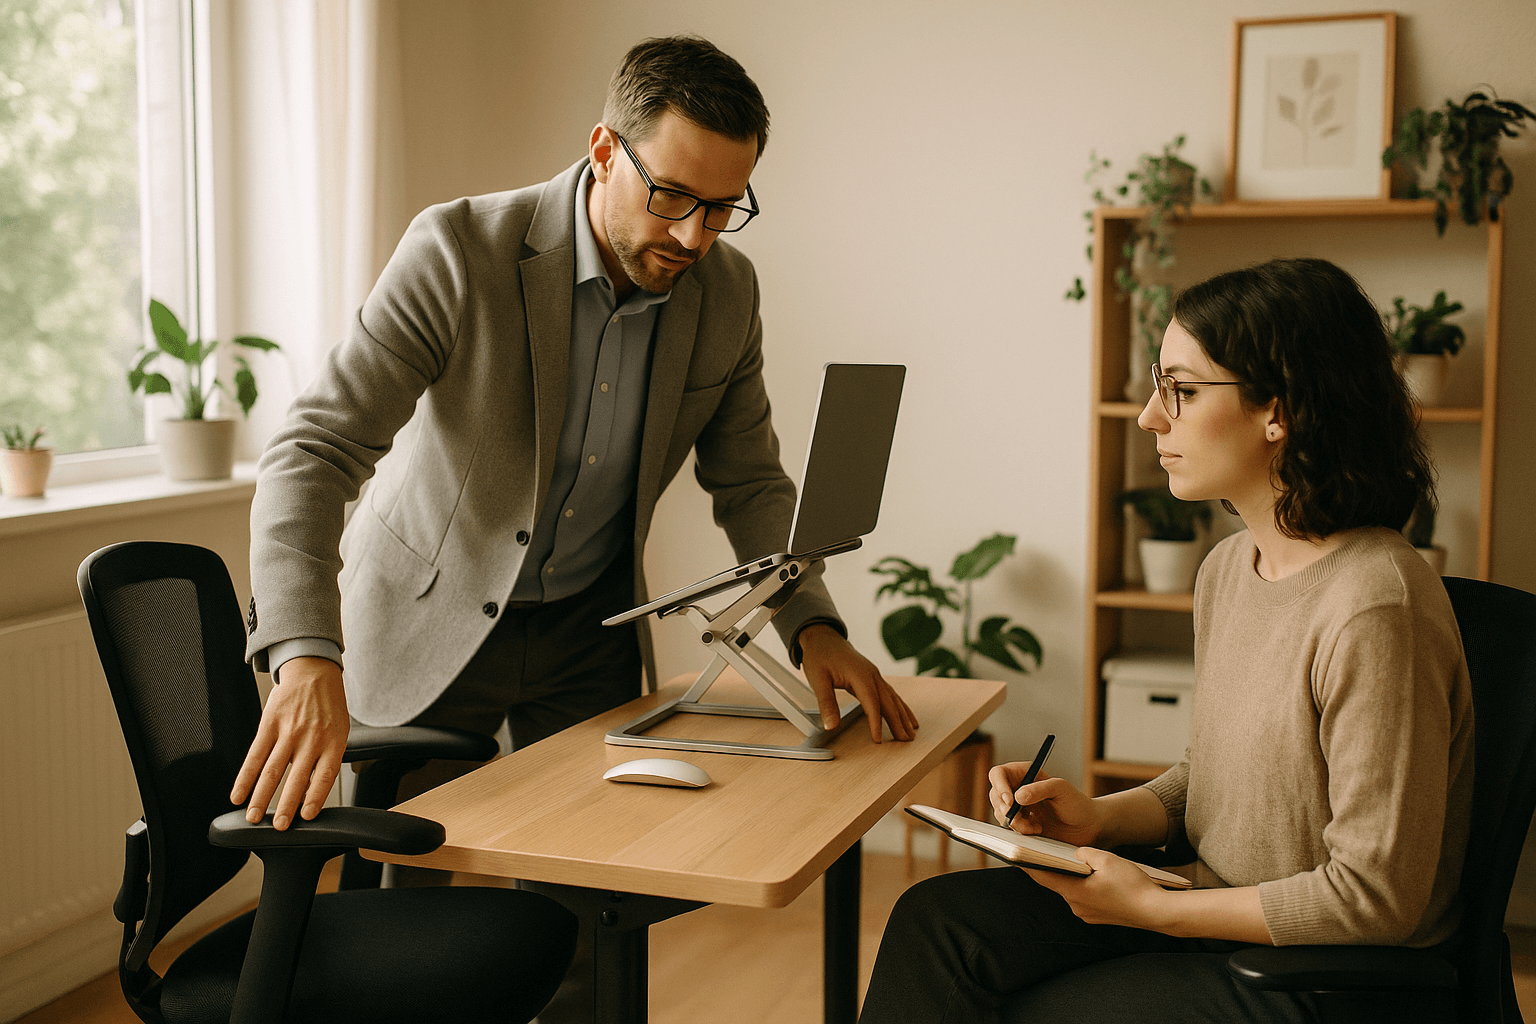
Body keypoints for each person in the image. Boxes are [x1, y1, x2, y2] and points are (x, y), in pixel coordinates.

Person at [232, 35, 919, 833]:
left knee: (598, 904)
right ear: (603, 152)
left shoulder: (727, 292)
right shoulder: (457, 250)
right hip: (430, 613)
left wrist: (815, 625)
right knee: (404, 889)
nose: (696, 237)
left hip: (589, 634)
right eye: (672, 196)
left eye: (724, 207)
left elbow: (751, 482)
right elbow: (314, 451)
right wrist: (305, 651)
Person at [858, 257, 1473, 1024]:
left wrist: (1154, 909)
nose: (1152, 416)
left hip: (1326, 975)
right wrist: (1099, 818)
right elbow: (1213, 777)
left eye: (1181, 391)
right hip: (1214, 914)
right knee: (937, 925)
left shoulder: (1376, 605)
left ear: (1276, 410)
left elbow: (1376, 899)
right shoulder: (1227, 570)